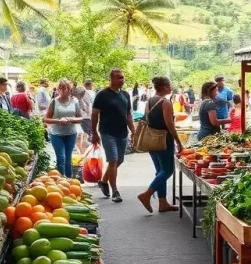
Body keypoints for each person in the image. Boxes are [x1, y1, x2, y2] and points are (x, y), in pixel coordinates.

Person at [136, 76, 183, 213]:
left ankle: (162, 203)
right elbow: (169, 124)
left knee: (159, 171)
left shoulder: (149, 101)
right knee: (168, 170)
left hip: (152, 139)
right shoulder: (165, 102)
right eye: (169, 85)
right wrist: (178, 142)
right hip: (164, 140)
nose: (171, 87)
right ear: (164, 87)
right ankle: (147, 194)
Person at [91, 68, 135, 203]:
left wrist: (134, 131)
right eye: (119, 77)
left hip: (122, 133)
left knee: (119, 160)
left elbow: (128, 114)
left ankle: (104, 181)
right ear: (111, 79)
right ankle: (115, 191)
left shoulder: (125, 95)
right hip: (107, 132)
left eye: (123, 77)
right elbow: (94, 114)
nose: (122, 80)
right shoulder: (102, 95)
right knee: (113, 160)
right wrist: (94, 132)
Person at [44, 78, 82, 178]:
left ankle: (69, 180)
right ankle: (61, 179)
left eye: (65, 88)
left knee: (68, 158)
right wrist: (58, 121)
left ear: (69, 89)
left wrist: (71, 119)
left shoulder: (74, 101)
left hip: (71, 133)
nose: (62, 90)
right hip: (56, 134)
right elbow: (46, 119)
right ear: (57, 90)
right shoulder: (54, 102)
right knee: (61, 158)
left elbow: (80, 118)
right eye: (60, 88)